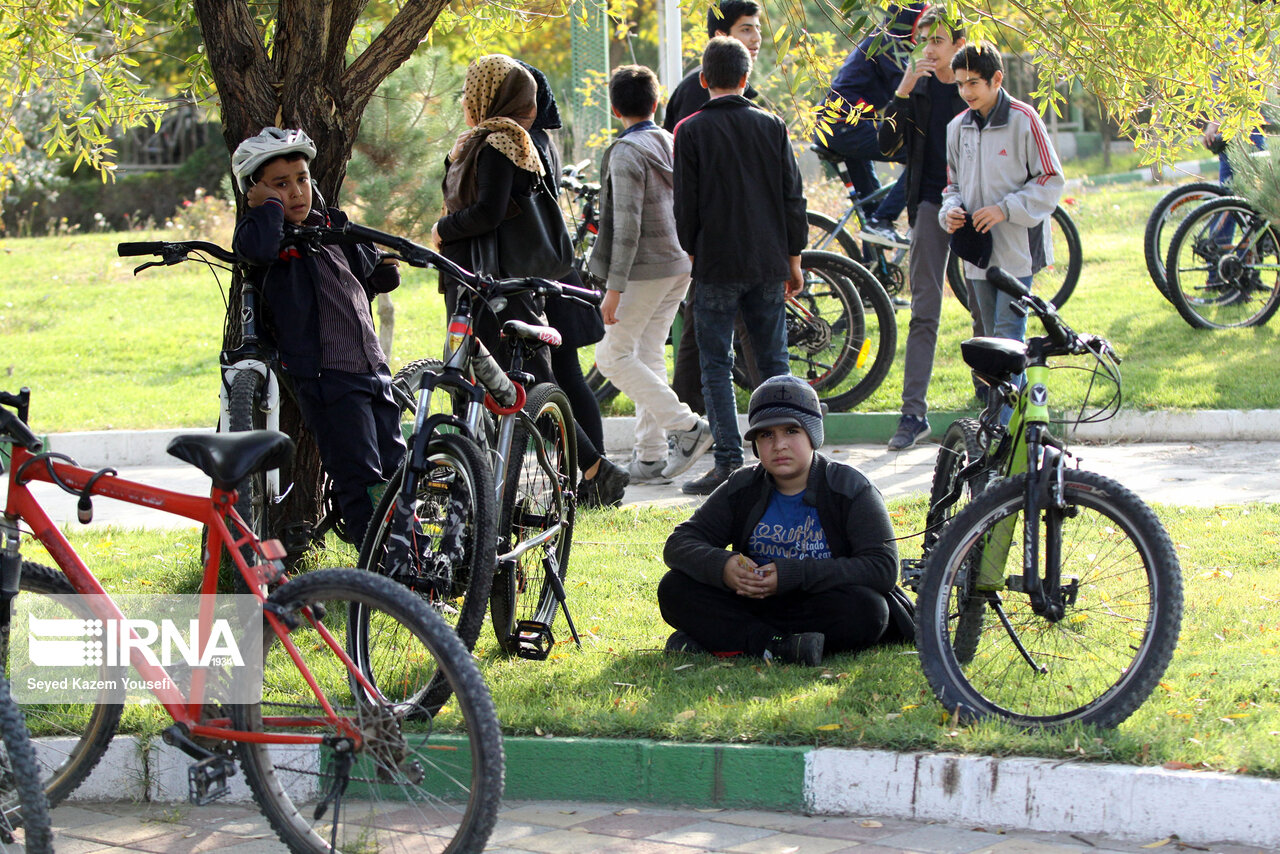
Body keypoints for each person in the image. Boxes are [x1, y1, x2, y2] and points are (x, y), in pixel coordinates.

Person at [431, 55, 629, 507]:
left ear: (487, 94)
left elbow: (489, 213)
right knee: (497, 380)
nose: (466, 98)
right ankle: (481, 482)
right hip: (489, 280)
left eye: (471, 89)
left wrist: (444, 228)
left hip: (497, 284)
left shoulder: (500, 143)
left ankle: (594, 469)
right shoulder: (505, 140)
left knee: (524, 385)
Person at [231, 126, 405, 546]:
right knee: (360, 476)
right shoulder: (264, 234)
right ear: (256, 192)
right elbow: (255, 251)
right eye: (280, 185)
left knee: (398, 471)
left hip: (372, 368)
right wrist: (267, 208)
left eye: (302, 179)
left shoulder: (330, 226)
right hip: (329, 378)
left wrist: (383, 267)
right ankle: (379, 578)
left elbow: (373, 271)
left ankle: (410, 558)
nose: (295, 192)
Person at [657, 375, 906, 666]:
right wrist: (723, 566)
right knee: (674, 588)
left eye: (791, 431)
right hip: (753, 601)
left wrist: (792, 575)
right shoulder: (742, 485)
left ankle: (727, 640)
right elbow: (679, 543)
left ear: (812, 434)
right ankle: (777, 646)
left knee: (869, 610)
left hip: (818, 600)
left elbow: (882, 567)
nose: (779, 445)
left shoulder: (850, 487)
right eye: (766, 435)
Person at [672, 37, 807, 496]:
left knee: (715, 364)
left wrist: (692, 250)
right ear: (747, 79)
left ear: (704, 79)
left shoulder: (689, 130)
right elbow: (793, 196)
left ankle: (728, 462)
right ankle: (785, 459)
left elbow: (684, 206)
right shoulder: (773, 126)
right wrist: (794, 257)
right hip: (768, 260)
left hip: (715, 263)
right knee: (773, 362)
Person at [590, 65, 714, 483]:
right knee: (646, 354)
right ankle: (650, 457)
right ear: (657, 101)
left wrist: (613, 288)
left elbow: (626, 229)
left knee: (611, 356)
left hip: (645, 269)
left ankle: (688, 427)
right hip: (680, 263)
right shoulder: (670, 141)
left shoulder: (626, 152)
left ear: (612, 108)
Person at [515, 60, 615, 505]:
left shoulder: (524, 142)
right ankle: (592, 474)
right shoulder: (539, 140)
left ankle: (593, 471)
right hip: (551, 269)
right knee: (566, 379)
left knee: (560, 380)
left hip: (542, 274)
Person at [663, 0, 763, 419]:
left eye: (757, 29)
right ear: (720, 37)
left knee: (707, 328)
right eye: (746, 29)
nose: (755, 39)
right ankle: (779, 408)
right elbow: (688, 176)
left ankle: (688, 409)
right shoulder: (695, 95)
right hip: (712, 239)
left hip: (727, 238)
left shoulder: (746, 100)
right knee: (737, 328)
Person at [877, 6, 967, 451]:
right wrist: (906, 87)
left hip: (978, 205)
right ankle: (913, 414)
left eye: (937, 41)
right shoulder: (920, 91)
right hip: (931, 203)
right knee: (924, 308)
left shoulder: (974, 87)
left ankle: (992, 400)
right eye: (922, 40)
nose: (928, 49)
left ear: (959, 46)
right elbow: (886, 143)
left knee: (986, 305)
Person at [940, 44, 1064, 348]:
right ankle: (987, 395)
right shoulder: (956, 128)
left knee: (1008, 334)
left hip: (1017, 250)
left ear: (996, 79)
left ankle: (1011, 396)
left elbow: (1051, 179)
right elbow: (951, 186)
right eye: (960, 84)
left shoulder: (1025, 119)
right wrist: (951, 211)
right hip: (976, 250)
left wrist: (1004, 209)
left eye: (973, 83)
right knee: (984, 331)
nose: (966, 92)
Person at [814, 2, 925, 242]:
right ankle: (883, 219)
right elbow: (908, 92)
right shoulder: (889, 43)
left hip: (842, 126)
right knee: (921, 156)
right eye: (922, 26)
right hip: (844, 126)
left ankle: (871, 270)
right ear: (909, 21)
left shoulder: (884, 39)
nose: (924, 34)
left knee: (871, 210)